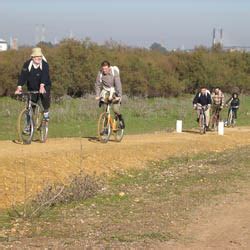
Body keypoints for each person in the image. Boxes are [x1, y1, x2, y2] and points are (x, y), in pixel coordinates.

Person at [15, 47, 51, 122]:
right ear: (32, 57)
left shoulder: (45, 65)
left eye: (40, 56)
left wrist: (42, 86)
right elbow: (23, 76)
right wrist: (19, 87)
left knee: (45, 96)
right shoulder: (27, 64)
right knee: (30, 105)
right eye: (36, 57)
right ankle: (28, 125)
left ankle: (46, 113)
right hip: (32, 86)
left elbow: (45, 75)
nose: (38, 58)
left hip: (44, 85)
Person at [95, 60, 125, 129]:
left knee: (115, 109)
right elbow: (97, 85)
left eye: (106, 69)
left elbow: (118, 85)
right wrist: (97, 95)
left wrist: (119, 96)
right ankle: (105, 128)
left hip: (115, 91)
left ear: (109, 68)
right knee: (104, 110)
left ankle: (120, 119)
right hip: (106, 91)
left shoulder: (114, 72)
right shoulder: (100, 73)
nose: (104, 70)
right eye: (103, 69)